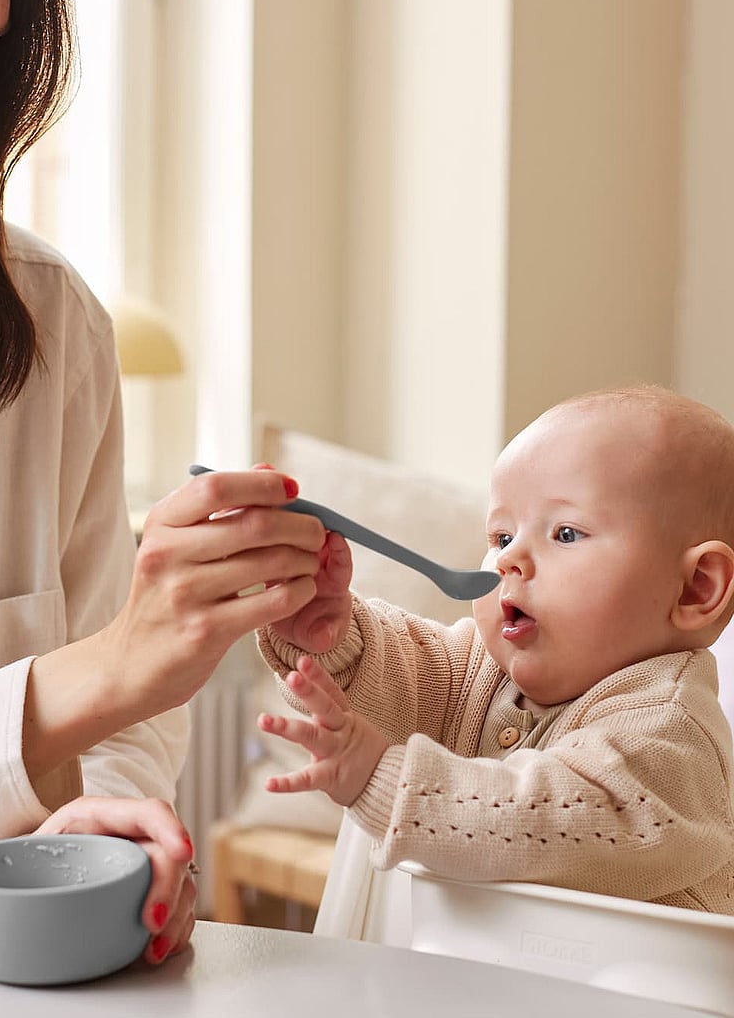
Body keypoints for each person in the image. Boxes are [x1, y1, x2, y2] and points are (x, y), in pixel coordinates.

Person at [0, 0, 326, 961]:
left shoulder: (49, 324)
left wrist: (99, 834)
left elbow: (125, 723)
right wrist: (101, 671)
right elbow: (113, 669)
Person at [256, 386, 734, 914]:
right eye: (502, 537)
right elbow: (408, 670)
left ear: (696, 589)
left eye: (566, 533)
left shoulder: (670, 734)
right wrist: (334, 635)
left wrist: (384, 778)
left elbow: (551, 816)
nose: (510, 561)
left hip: (634, 993)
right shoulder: (480, 667)